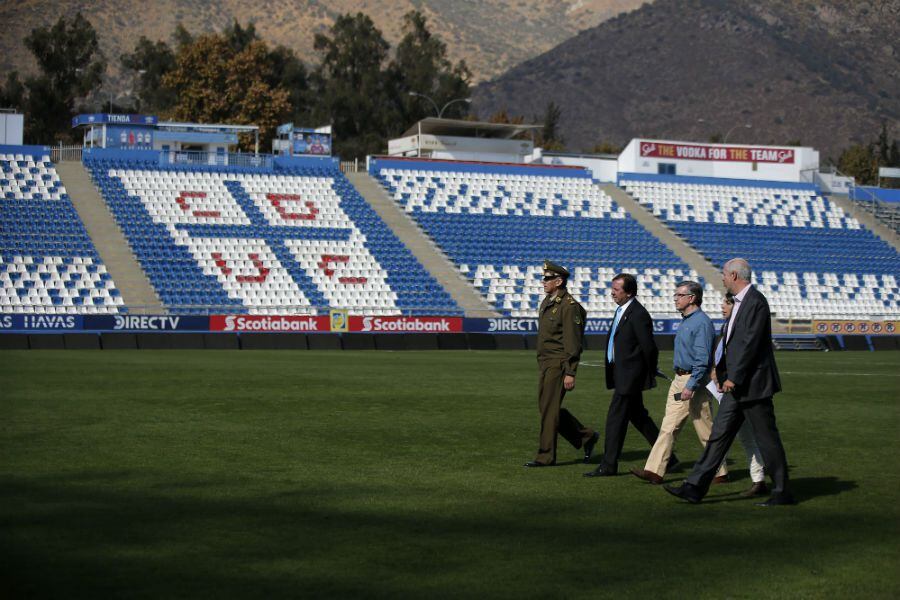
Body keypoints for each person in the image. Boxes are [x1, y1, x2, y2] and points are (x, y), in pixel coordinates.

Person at [665, 258, 795, 506]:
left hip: (753, 386)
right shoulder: (740, 303)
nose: (722, 278)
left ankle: (782, 491)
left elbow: (750, 344)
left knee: (767, 438)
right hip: (735, 386)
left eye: (724, 274)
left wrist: (734, 377)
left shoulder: (755, 302)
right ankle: (694, 487)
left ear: (735, 276)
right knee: (718, 436)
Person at [631, 281, 728, 485]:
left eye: (679, 295)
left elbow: (702, 359)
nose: (675, 298)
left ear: (691, 298)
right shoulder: (687, 320)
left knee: (704, 429)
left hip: (693, 381)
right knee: (668, 427)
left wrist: (690, 385)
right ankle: (655, 471)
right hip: (680, 379)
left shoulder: (701, 322)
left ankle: (719, 471)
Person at [585, 273, 662, 477]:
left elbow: (649, 348)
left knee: (615, 419)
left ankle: (608, 464)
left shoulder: (638, 314)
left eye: (617, 289)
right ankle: (668, 458)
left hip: (630, 377)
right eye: (612, 288)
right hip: (622, 375)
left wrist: (648, 371)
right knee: (639, 418)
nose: (612, 292)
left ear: (629, 292)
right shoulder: (623, 310)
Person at [524, 261, 599, 467]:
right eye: (544, 278)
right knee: (548, 408)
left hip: (558, 363)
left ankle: (545, 456)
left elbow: (573, 343)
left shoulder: (568, 306)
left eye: (547, 278)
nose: (543, 281)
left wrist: (570, 371)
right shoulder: (548, 301)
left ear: (559, 281)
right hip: (546, 363)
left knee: (549, 410)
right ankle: (586, 436)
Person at [706, 293, 768, 497]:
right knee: (747, 437)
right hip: (725, 392)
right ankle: (759, 480)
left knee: (728, 436)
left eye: (728, 302)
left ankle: (702, 480)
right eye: (723, 302)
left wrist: (727, 378)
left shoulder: (738, 330)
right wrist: (715, 373)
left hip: (737, 393)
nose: (722, 306)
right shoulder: (725, 329)